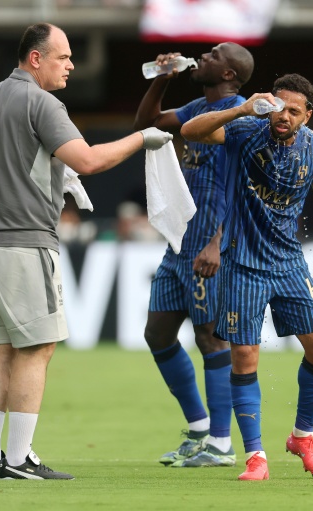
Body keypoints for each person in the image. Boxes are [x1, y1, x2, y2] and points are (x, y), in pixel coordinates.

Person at [0, 22, 172, 480]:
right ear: (36, 59)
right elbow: (91, 160)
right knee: (37, 348)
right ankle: (18, 459)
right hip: (24, 244)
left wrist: (47, 170)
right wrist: (143, 139)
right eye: (63, 57)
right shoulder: (42, 101)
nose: (72, 65)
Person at [181, 73, 313, 481]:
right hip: (243, 261)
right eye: (278, 106)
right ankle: (255, 455)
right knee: (244, 356)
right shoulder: (245, 130)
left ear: (308, 116)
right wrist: (242, 107)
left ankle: (302, 436)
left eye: (294, 111)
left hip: (289, 261)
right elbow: (190, 130)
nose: (284, 116)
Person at [133, 43, 255, 468]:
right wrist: (163, 79)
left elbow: (244, 185)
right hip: (179, 240)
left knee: (210, 337)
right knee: (158, 334)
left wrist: (217, 242)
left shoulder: (243, 114)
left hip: (210, 242)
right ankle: (200, 427)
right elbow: (146, 124)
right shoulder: (197, 106)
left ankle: (221, 445)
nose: (204, 54)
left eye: (216, 54)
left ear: (229, 74)